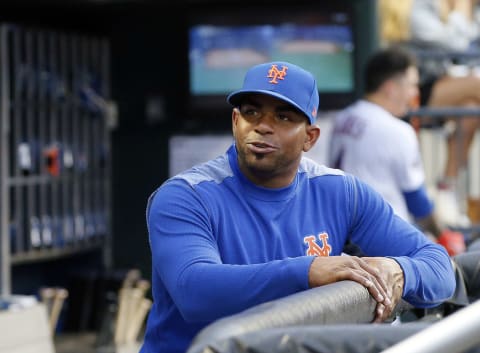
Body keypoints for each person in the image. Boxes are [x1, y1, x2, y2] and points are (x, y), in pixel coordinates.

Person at [139, 61, 456, 353]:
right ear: (235, 121)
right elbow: (195, 291)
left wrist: (399, 271)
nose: (263, 126)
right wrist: (311, 270)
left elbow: (440, 268)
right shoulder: (185, 196)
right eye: (251, 112)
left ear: (310, 138)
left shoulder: (340, 192)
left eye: (283, 116)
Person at [328, 47, 466, 256]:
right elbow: (417, 201)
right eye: (411, 85)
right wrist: (443, 235)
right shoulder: (397, 130)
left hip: (345, 237)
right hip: (388, 243)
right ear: (391, 88)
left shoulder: (342, 118)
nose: (415, 93)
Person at [379, 0, 480, 228]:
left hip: (440, 80)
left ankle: (446, 187)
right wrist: (461, 11)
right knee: (477, 87)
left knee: (471, 109)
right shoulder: (418, 5)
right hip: (415, 85)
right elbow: (456, 42)